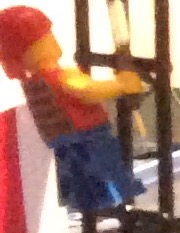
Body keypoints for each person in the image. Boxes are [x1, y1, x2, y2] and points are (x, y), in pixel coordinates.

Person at [0, 6, 146, 215]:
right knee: (105, 168)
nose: (52, 40)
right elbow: (87, 90)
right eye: (47, 37)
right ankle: (116, 199)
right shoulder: (62, 75)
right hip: (87, 132)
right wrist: (122, 85)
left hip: (60, 138)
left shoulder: (32, 85)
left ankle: (88, 203)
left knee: (78, 175)